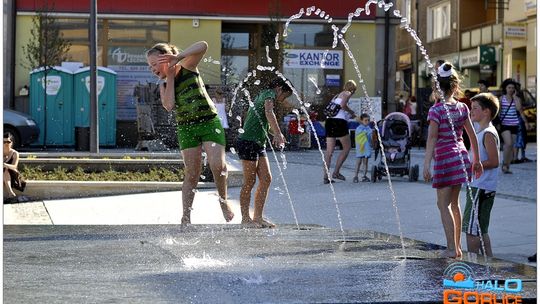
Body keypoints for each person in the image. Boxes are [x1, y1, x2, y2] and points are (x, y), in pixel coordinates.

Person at [146, 41, 234, 224]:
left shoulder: (188, 65)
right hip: (187, 128)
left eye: (154, 64)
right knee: (192, 173)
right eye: (150, 66)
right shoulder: (163, 84)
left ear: (166, 58)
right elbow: (169, 105)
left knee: (218, 165)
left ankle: (224, 201)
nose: (152, 69)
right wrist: (169, 77)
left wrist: (178, 57)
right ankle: (186, 216)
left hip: (209, 122)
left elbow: (203, 45)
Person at [423, 62, 483, 258]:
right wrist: (477, 160)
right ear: (455, 86)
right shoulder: (462, 108)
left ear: (436, 88)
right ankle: (457, 247)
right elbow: (472, 135)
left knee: (443, 205)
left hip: (445, 160)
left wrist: (426, 165)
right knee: (454, 204)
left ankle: (451, 248)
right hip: (461, 157)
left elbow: (432, 138)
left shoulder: (436, 111)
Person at [236, 78, 292, 228]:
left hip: (258, 142)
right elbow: (268, 112)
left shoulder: (262, 95)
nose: (282, 100)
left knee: (266, 178)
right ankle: (245, 219)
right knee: (249, 181)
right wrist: (278, 133)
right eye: (284, 96)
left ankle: (258, 217)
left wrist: (272, 134)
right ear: (279, 89)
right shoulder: (268, 93)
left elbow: (258, 119)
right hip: (248, 141)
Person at [462, 93, 500, 257]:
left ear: (487, 112)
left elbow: (494, 161)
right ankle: (489, 263)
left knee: (471, 230)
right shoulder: (482, 131)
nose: (471, 111)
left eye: (475, 108)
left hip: (481, 187)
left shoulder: (488, 134)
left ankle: (473, 264)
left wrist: (474, 166)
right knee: (481, 228)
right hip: (483, 186)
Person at [323, 80, 357, 184]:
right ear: (353, 89)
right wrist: (351, 112)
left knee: (329, 152)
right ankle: (336, 172)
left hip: (329, 121)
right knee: (347, 148)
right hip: (339, 122)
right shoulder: (347, 93)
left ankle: (325, 176)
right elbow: (342, 106)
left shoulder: (336, 96)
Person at [498, 78, 530, 174]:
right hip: (504, 124)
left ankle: (506, 165)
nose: (511, 89)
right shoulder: (501, 98)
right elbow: (498, 113)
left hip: (514, 125)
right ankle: (504, 165)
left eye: (512, 88)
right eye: (509, 87)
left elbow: (519, 110)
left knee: (511, 146)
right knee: (508, 143)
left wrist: (526, 123)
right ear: (505, 88)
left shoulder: (516, 99)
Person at [352, 113, 373, 183]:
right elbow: (359, 136)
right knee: (358, 162)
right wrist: (367, 133)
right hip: (360, 147)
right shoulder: (358, 128)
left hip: (366, 147)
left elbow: (370, 138)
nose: (367, 122)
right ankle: (355, 176)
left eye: (368, 120)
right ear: (361, 121)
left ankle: (364, 176)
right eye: (365, 120)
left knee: (365, 162)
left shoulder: (369, 128)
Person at [3, 133, 20, 203]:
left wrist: (4, 164)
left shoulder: (15, 153)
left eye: (8, 142)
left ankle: (11, 193)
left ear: (12, 143)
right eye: (4, 142)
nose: (6, 143)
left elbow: (14, 166)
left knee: (5, 170)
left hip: (13, 175)